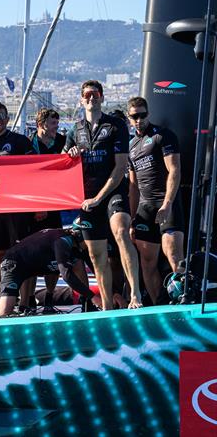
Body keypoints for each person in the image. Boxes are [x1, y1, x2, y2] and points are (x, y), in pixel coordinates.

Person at [65, 80, 142, 309]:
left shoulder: (116, 125)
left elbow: (120, 169)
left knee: (120, 232)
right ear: (81, 99)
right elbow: (63, 164)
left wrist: (100, 197)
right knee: (97, 255)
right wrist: (69, 153)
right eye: (87, 94)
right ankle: (107, 306)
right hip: (87, 198)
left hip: (112, 192)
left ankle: (135, 294)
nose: (92, 98)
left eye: (96, 94)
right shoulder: (74, 130)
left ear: (102, 97)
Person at [0, 227, 98, 317]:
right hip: (14, 264)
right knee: (2, 313)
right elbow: (67, 275)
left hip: (34, 264)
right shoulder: (62, 242)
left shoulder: (77, 246)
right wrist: (93, 295)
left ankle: (87, 304)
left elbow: (96, 269)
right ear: (83, 239)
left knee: (77, 262)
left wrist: (111, 294)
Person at [127, 96, 184, 304]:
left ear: (148, 114)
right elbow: (132, 186)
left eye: (142, 115)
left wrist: (167, 204)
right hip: (145, 207)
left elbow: (175, 170)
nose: (139, 120)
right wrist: (132, 219)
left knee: (174, 255)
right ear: (129, 118)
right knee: (147, 263)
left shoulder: (163, 136)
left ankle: (185, 299)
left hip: (166, 203)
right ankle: (159, 305)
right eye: (135, 116)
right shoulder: (132, 145)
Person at [0, 101, 36, 294]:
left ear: (7, 118)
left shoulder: (21, 141)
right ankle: (2, 296)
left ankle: (25, 299)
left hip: (19, 206)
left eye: (0, 116)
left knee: (22, 252)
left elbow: (36, 172)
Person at [28, 108, 67, 233]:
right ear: (40, 125)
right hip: (34, 201)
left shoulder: (63, 142)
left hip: (56, 199)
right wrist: (38, 206)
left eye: (57, 123)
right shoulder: (28, 144)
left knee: (56, 237)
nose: (56, 127)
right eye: (53, 123)